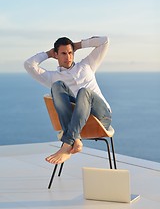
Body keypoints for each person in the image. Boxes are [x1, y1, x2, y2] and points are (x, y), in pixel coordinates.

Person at [24, 35, 112, 165]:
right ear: (56, 55)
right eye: (63, 53)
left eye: (70, 53)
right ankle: (74, 139)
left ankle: (67, 143)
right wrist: (48, 53)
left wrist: (76, 45)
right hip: (78, 124)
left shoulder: (87, 64)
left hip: (100, 118)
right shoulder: (52, 77)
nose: (68, 57)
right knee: (56, 86)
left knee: (84, 92)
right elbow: (29, 65)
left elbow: (104, 41)